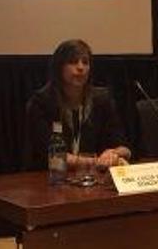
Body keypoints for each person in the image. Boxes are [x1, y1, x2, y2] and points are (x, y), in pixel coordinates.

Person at [24, 39, 131, 171]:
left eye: (85, 62)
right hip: (50, 179)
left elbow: (125, 148)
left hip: (93, 180)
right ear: (59, 67)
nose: (81, 67)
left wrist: (113, 154)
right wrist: (93, 161)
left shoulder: (102, 100)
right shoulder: (42, 103)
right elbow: (50, 154)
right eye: (73, 62)